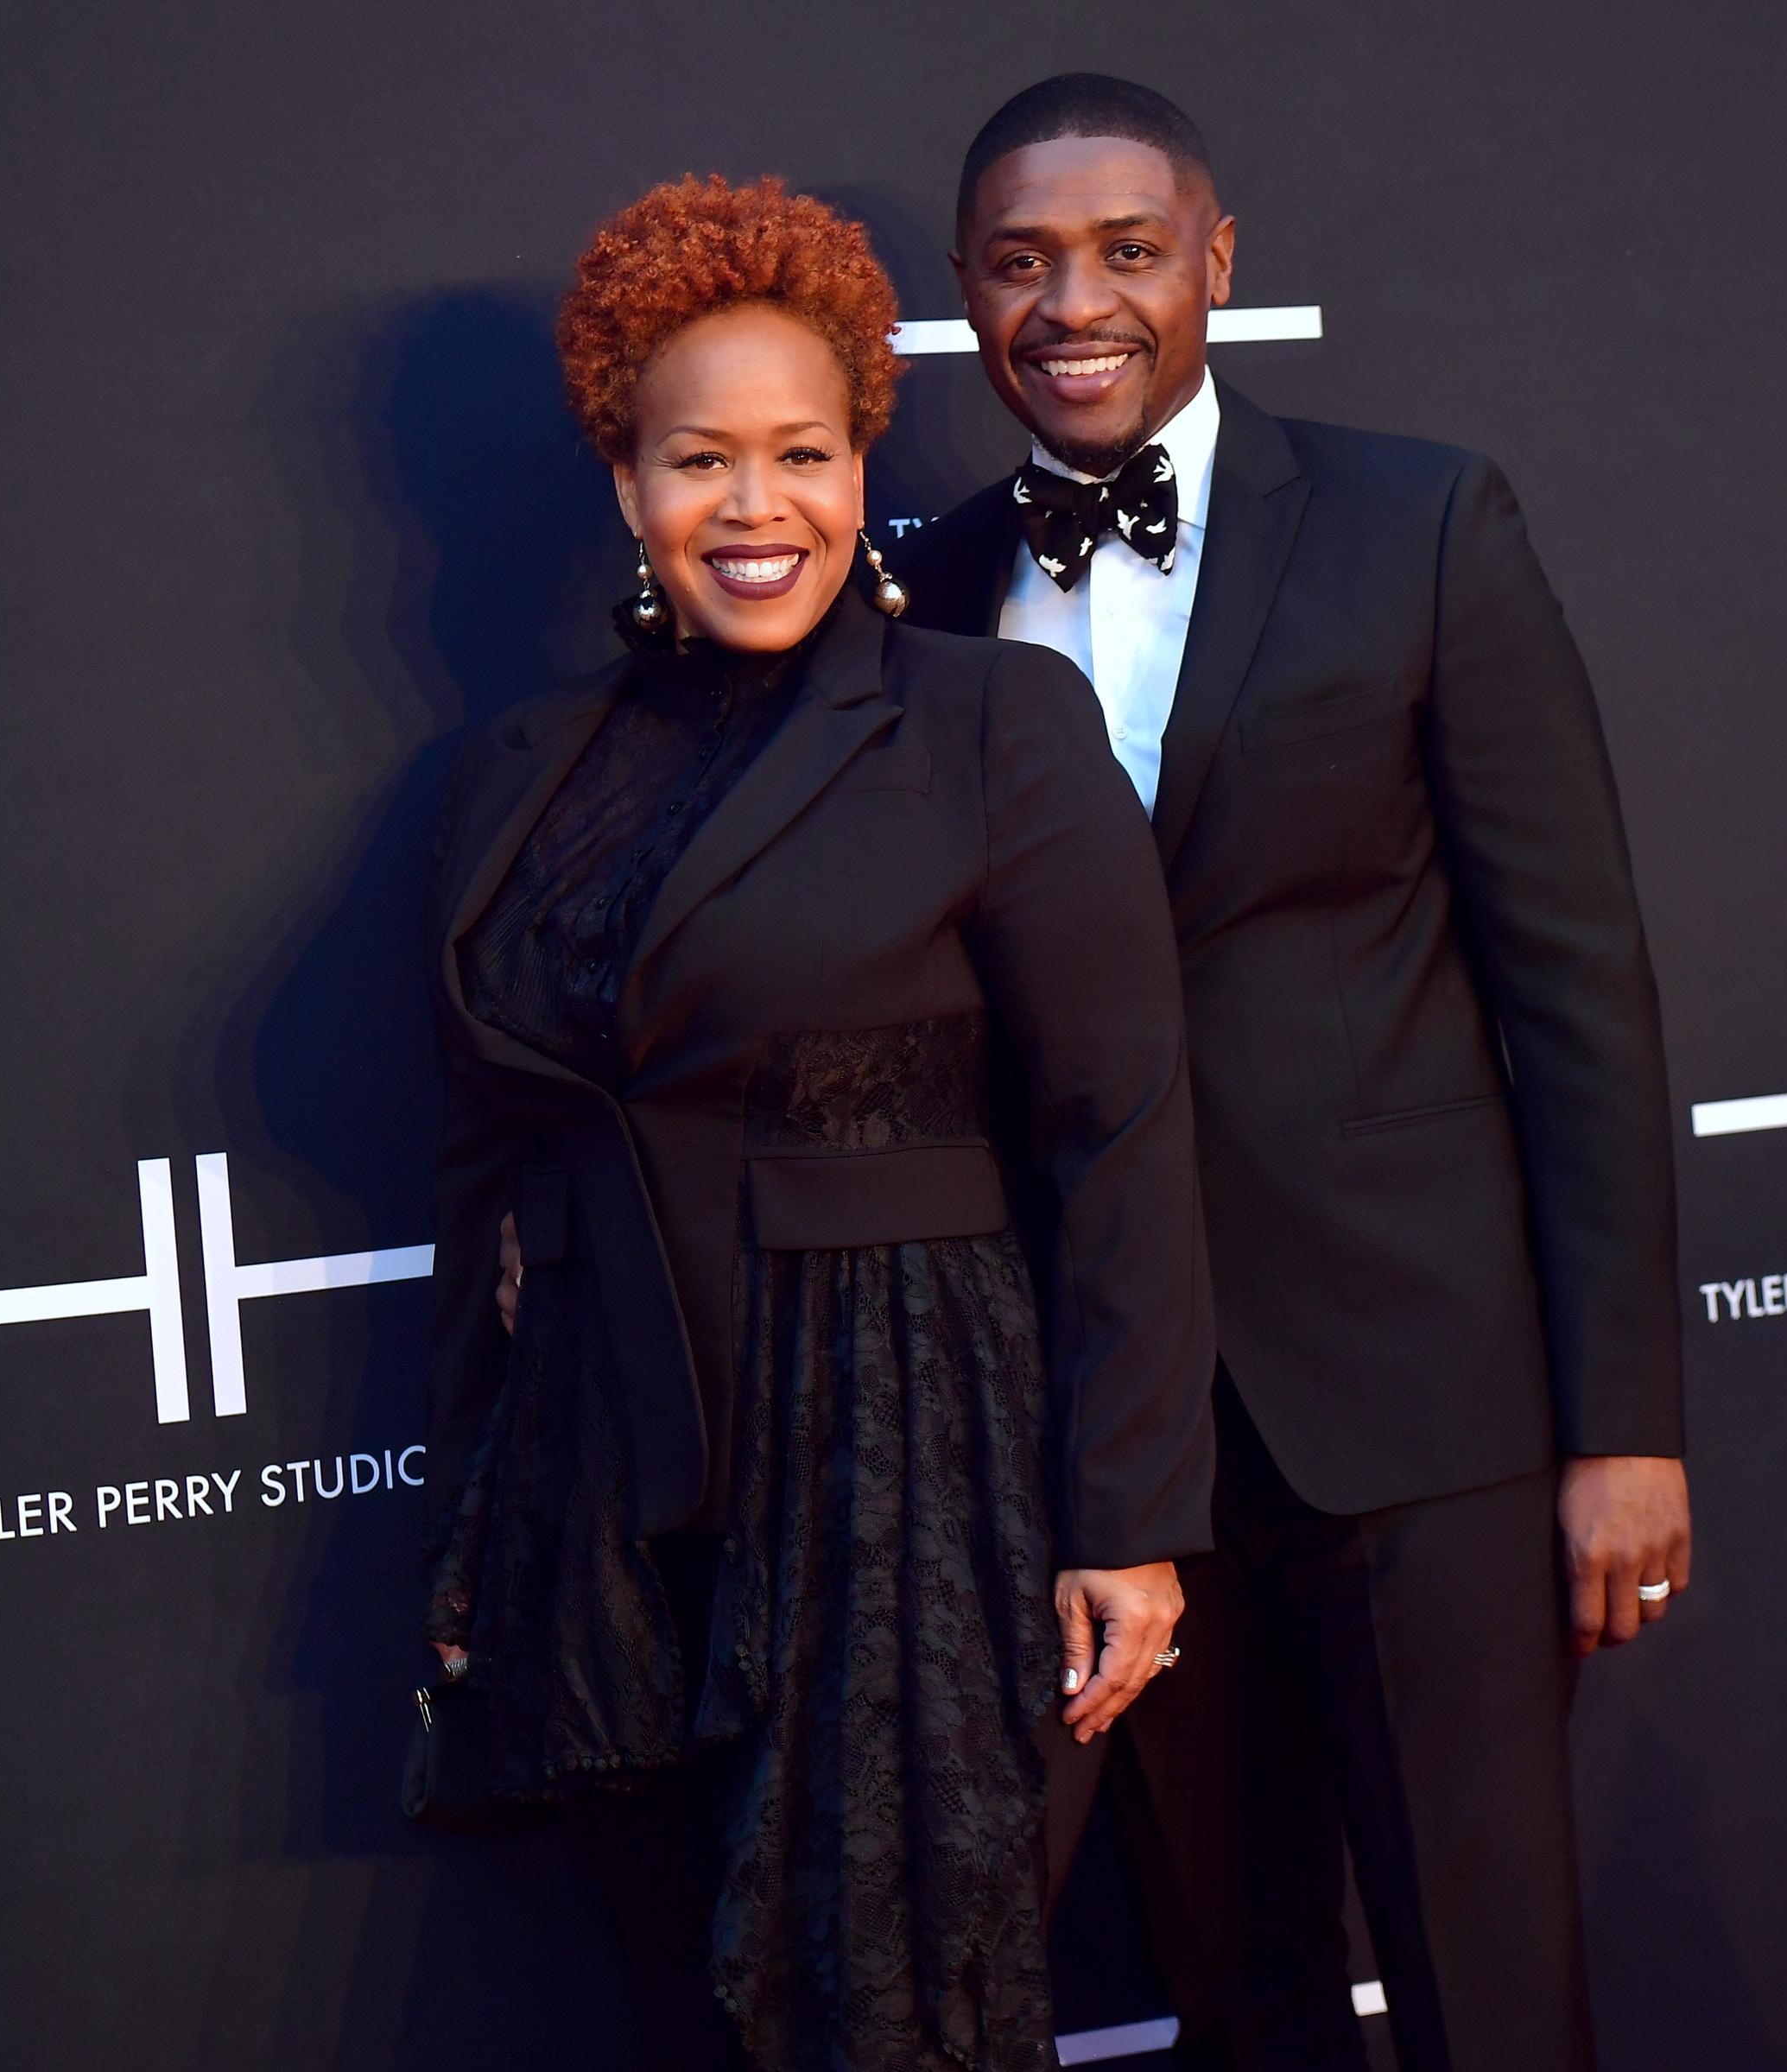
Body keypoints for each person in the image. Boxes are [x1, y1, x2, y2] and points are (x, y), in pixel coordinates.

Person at [890, 73, 1694, 2072]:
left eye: (1128, 250)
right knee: (1236, 2001)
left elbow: (1579, 991)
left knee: (1492, 1993)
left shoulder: (1424, 520)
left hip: (1424, 1409)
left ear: (1219, 265)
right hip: (1115, 1448)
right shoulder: (919, 586)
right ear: (966, 295)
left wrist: (1629, 1428)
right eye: (1018, 263)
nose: (1072, 301)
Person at [418, 172, 1214, 2072]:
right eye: (701, 459)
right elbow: (498, 1164)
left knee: (893, 2011)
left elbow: (1124, 1126)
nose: (754, 508)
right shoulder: (537, 767)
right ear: (628, 486)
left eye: (801, 452)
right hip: (618, 1503)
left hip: (910, 1465)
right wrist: (481, 1531)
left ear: (866, 461)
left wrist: (1129, 1518)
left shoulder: (987, 725)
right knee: (692, 2017)